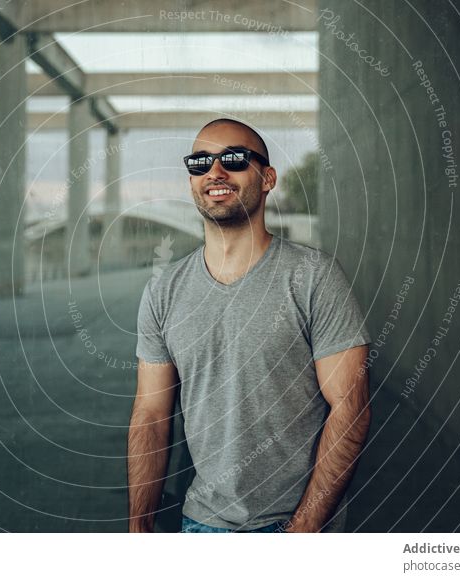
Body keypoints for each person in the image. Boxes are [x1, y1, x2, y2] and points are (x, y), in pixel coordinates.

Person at [127, 118, 371, 533]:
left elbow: (351, 407)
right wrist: (139, 526)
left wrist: (304, 528)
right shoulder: (164, 292)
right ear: (191, 182)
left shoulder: (314, 276)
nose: (215, 172)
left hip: (295, 526)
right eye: (200, 162)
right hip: (201, 525)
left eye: (234, 159)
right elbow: (150, 414)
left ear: (268, 178)